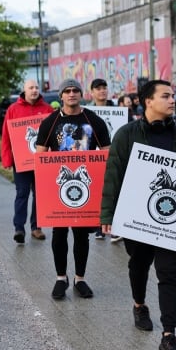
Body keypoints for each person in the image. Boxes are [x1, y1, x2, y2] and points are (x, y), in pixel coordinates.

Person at [100, 80, 176, 350]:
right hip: (136, 217)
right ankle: (139, 304)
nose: (172, 100)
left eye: (173, 95)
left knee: (169, 271)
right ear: (148, 101)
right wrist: (107, 215)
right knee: (139, 263)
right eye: (166, 96)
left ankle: (169, 335)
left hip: (170, 218)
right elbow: (113, 174)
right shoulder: (127, 134)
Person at [35, 79, 111, 300]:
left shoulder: (93, 120)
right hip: (60, 185)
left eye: (75, 90)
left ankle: (80, 278)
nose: (71, 94)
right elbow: (40, 155)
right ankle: (61, 278)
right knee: (59, 233)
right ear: (61, 96)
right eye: (67, 91)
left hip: (86, 184)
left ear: (81, 94)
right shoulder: (50, 122)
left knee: (81, 235)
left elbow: (107, 151)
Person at [1, 79, 54, 243]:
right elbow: (6, 136)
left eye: (37, 87)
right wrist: (7, 159)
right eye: (31, 87)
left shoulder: (47, 109)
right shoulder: (13, 109)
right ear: (24, 90)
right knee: (22, 193)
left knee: (39, 195)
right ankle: (19, 228)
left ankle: (36, 227)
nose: (34, 90)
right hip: (21, 162)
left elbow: (54, 135)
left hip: (41, 161)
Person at [88, 78, 113, 239]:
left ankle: (114, 227)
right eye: (98, 88)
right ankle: (99, 226)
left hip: (114, 155)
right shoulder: (86, 112)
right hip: (94, 159)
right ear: (92, 92)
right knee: (98, 191)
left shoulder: (119, 109)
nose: (102, 91)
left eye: (104, 88)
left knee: (113, 191)